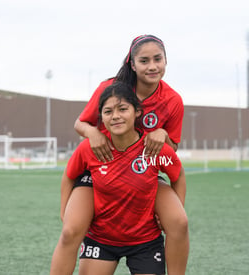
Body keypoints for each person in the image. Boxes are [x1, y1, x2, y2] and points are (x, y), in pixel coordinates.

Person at [50, 35, 188, 275]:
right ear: (132, 64)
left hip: (143, 168)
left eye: (158, 59)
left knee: (179, 222)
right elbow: (80, 123)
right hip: (100, 169)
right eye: (144, 61)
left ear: (166, 61)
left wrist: (162, 132)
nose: (152, 66)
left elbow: (172, 151)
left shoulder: (173, 100)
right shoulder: (109, 88)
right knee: (71, 230)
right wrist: (93, 133)